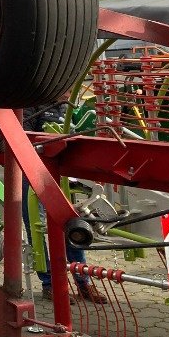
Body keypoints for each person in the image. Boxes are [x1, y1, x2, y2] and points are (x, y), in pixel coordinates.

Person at [21, 104, 106, 304]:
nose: (69, 90)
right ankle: (49, 284)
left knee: (73, 225)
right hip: (34, 173)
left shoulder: (66, 108)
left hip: (63, 174)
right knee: (36, 226)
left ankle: (83, 283)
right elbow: (22, 138)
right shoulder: (33, 106)